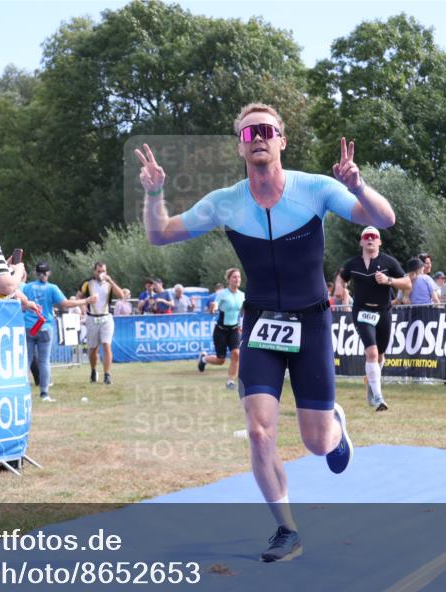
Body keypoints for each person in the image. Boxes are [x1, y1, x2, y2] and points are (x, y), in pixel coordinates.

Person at [135, 102, 396, 562]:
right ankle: (285, 529)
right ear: (240, 145)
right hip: (261, 325)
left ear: (281, 140)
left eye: (266, 130)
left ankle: (335, 426)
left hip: (312, 322)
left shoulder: (315, 189)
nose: (258, 137)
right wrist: (155, 195)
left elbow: (384, 219)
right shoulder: (225, 201)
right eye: (249, 132)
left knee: (316, 444)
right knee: (259, 432)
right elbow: (160, 235)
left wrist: (358, 185)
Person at [339, 227, 409, 411]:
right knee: (371, 352)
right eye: (366, 237)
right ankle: (379, 398)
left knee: (380, 355)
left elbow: (408, 283)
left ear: (379, 242)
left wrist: (388, 280)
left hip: (383, 312)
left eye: (374, 237)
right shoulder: (353, 263)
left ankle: (372, 385)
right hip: (361, 312)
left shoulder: (388, 262)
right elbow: (342, 277)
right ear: (361, 242)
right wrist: (341, 288)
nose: (370, 239)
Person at [22, 262, 92, 401]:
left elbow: (20, 304)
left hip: (29, 326)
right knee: (44, 361)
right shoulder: (52, 288)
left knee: (27, 360)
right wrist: (86, 300)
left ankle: (22, 392)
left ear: (35, 273)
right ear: (48, 273)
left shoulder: (27, 287)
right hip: (45, 326)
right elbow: (66, 303)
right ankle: (44, 394)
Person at [77, 261, 125, 384]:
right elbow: (78, 297)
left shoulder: (109, 284)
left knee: (107, 345)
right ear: (94, 271)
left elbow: (121, 296)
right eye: (99, 271)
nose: (101, 273)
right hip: (92, 318)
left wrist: (111, 281)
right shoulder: (87, 283)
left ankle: (107, 375)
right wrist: (83, 310)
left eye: (103, 271)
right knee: (93, 349)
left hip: (106, 318)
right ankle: (93, 370)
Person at [198, 267, 246, 390]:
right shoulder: (222, 294)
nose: (237, 279)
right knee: (221, 360)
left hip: (234, 330)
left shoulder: (242, 295)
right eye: (234, 277)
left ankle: (230, 381)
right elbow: (215, 305)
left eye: (239, 277)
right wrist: (213, 309)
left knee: (236, 354)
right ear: (228, 280)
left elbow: (243, 312)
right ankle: (204, 358)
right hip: (221, 331)